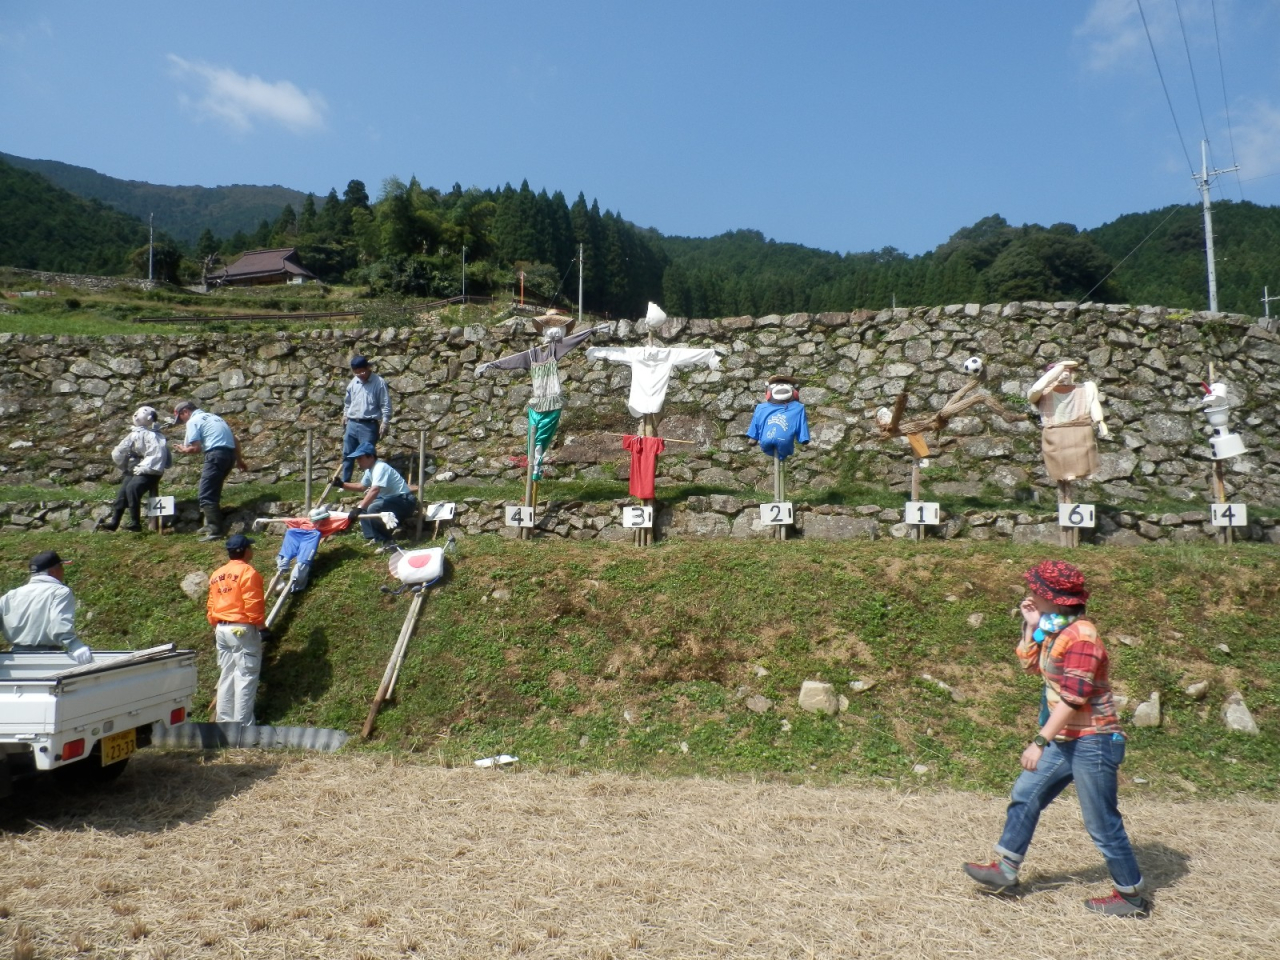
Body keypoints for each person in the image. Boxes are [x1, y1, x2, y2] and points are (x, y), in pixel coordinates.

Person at [962, 560, 1150, 918]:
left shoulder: (1083, 636)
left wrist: (1039, 741)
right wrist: (1031, 627)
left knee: (1101, 823)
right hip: (1067, 737)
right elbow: (1033, 666)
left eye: (1036, 591)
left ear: (1055, 598)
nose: (1030, 594)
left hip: (1094, 739)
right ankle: (1005, 868)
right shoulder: (1056, 630)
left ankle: (1131, 896)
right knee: (1025, 795)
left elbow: (1073, 696)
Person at [206, 534, 266, 725]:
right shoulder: (248, 572)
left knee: (227, 675)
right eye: (250, 547)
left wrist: (215, 623)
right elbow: (253, 603)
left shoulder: (217, 574)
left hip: (221, 629)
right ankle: (243, 727)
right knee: (246, 676)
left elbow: (211, 604)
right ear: (246, 551)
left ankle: (224, 723)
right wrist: (261, 626)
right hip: (242, 629)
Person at [172, 400, 248, 542]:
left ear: (185, 412)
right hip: (229, 456)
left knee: (205, 493)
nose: (182, 422)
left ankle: (215, 530)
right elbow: (235, 440)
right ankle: (210, 525)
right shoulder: (215, 417)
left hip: (215, 455)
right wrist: (239, 460)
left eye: (180, 418)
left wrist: (184, 450)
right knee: (213, 490)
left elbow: (196, 448)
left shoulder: (193, 421)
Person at [0, 551, 93, 664]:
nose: (63, 571)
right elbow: (59, 623)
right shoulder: (59, 592)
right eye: (61, 567)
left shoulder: (10, 596)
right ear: (53, 571)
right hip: (48, 657)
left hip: (14, 658)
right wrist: (75, 646)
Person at [334, 442, 417, 552]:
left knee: (372, 508)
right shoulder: (370, 470)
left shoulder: (380, 467)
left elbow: (375, 489)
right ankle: (375, 537)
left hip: (404, 501)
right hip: (392, 500)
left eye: (360, 458)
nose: (358, 461)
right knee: (365, 509)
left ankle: (388, 542)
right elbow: (361, 486)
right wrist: (342, 484)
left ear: (371, 456)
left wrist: (359, 508)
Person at [99, 405, 171, 533]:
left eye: (140, 414)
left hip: (150, 469)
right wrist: (122, 462)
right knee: (122, 493)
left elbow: (156, 453)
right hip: (135, 465)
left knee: (133, 488)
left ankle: (135, 522)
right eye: (136, 413)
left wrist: (144, 467)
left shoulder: (153, 435)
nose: (136, 416)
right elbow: (120, 450)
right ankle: (115, 522)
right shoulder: (134, 434)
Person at [341, 355, 393, 483]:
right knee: (347, 453)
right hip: (352, 423)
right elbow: (348, 401)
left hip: (368, 425)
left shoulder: (379, 382)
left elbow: (385, 404)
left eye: (362, 371)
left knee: (367, 455)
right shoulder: (354, 382)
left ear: (369, 368)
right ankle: (345, 483)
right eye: (356, 372)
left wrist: (385, 421)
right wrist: (345, 414)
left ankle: (370, 483)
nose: (360, 375)